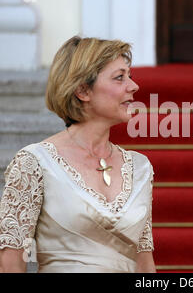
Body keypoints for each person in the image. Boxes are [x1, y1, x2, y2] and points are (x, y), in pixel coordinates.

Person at [0, 36, 156, 273]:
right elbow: (11, 264)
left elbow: (144, 262)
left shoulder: (140, 167)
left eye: (130, 76)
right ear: (83, 91)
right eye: (119, 77)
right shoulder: (35, 162)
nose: (133, 86)